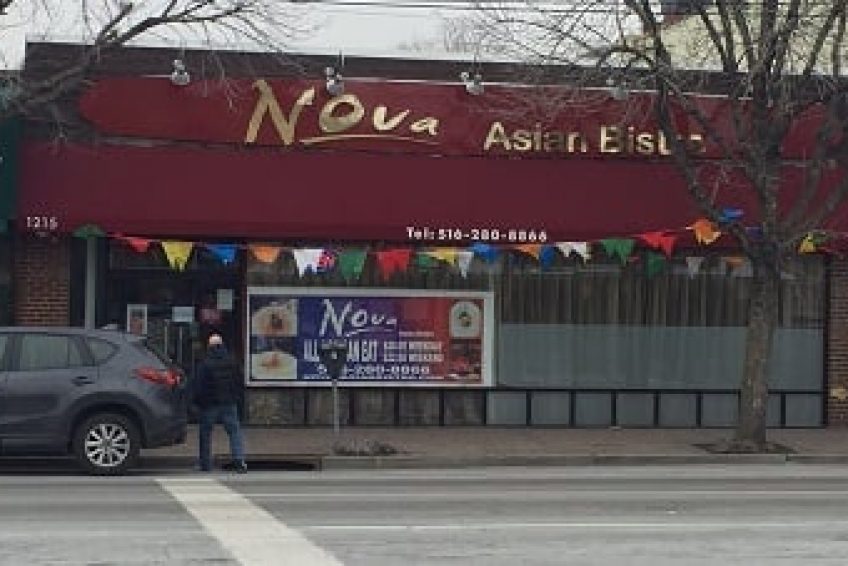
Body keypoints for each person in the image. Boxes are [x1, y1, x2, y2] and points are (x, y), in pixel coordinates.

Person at [194, 334, 247, 473]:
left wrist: (198, 402)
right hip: (229, 402)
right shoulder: (232, 361)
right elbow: (238, 382)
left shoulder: (205, 363)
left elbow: (200, 385)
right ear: (222, 345)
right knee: (234, 432)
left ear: (209, 346)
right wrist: (237, 399)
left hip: (210, 404)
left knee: (205, 433)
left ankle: (205, 464)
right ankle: (239, 461)